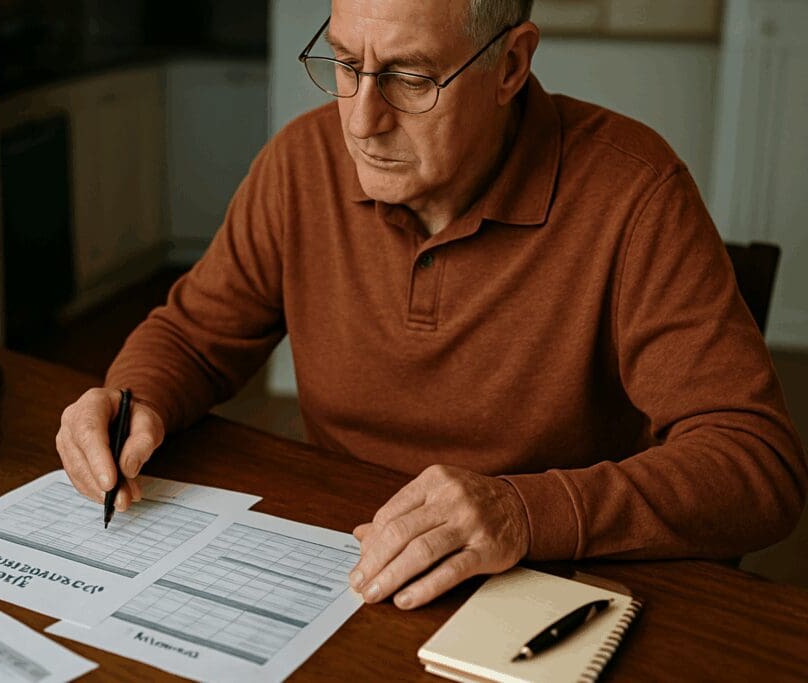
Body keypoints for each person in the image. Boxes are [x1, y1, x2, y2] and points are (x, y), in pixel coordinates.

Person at [56, 0, 807, 610]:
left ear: (510, 64)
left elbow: (757, 465)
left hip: (540, 588)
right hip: (341, 566)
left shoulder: (634, 192)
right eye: (346, 64)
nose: (360, 121)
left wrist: (522, 512)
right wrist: (133, 400)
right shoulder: (300, 162)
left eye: (411, 78)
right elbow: (195, 336)